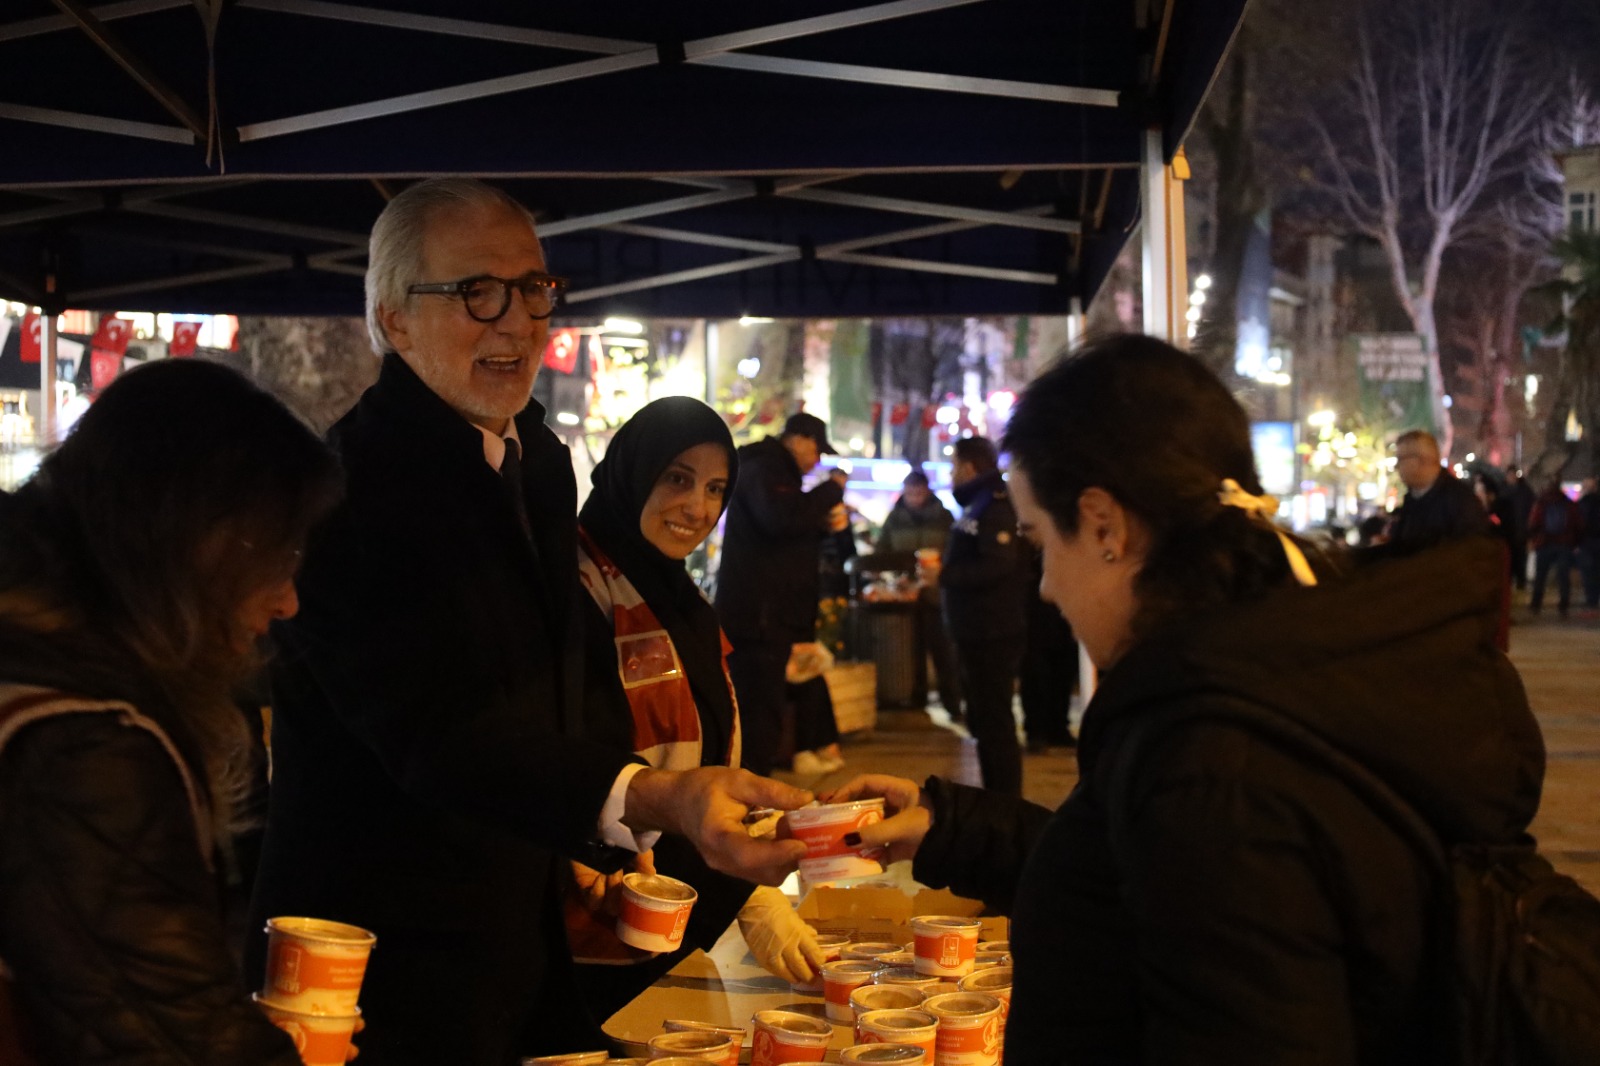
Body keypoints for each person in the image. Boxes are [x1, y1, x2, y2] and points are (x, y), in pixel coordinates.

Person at [828, 335, 1541, 1065]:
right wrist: (956, 829)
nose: (1043, 584)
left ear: (1104, 525)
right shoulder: (1262, 679)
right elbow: (1152, 887)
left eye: (1042, 540)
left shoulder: (1218, 757)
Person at [248, 178, 809, 1066]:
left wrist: (626, 834)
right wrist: (648, 793)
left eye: (535, 289)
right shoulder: (349, 494)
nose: (517, 322)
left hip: (526, 935)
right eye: (479, 292)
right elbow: (440, 732)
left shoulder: (535, 455)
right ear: (394, 320)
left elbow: (564, 678)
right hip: (378, 965)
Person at [0, 360, 343, 1064]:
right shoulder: (85, 744)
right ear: (202, 547)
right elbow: (171, 1035)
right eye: (281, 557)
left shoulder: (40, 656)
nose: (288, 601)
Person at [566, 396, 823, 1020]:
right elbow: (575, 756)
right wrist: (745, 892)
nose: (698, 507)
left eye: (715, 489)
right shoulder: (572, 589)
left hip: (675, 910)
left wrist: (747, 884)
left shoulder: (683, 599)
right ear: (633, 469)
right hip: (588, 921)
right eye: (677, 478)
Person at [715, 412, 848, 776]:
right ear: (800, 439)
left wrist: (821, 527)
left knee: (767, 712)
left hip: (770, 619)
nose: (816, 461)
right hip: (758, 620)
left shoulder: (775, 471)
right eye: (816, 450)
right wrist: (831, 489)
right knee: (759, 715)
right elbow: (779, 519)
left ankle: (755, 787)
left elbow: (786, 534)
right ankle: (750, 795)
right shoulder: (764, 467)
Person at [939, 436, 1029, 795]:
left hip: (992, 628)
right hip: (974, 628)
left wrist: (944, 575)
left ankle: (1006, 802)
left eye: (953, 466)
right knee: (983, 719)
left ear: (969, 466)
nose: (951, 474)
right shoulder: (977, 503)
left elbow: (998, 563)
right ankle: (997, 796)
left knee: (995, 721)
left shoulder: (995, 503)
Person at [879, 470, 963, 719]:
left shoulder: (944, 517)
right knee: (909, 650)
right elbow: (884, 552)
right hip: (906, 595)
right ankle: (916, 699)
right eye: (910, 493)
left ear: (927, 490)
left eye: (918, 492)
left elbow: (954, 551)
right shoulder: (894, 519)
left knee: (943, 651)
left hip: (937, 594)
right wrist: (896, 576)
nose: (914, 498)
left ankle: (952, 703)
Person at [1386, 429, 1490, 548]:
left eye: (1401, 459)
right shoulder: (1412, 498)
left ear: (1422, 460)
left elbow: (1471, 556)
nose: (1396, 466)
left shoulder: (1460, 502)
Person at [1527, 480, 1585, 617]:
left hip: (1544, 543)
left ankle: (1536, 603)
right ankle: (1563, 605)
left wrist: (1534, 538)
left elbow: (1532, 523)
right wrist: (1575, 542)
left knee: (1540, 576)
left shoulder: (1541, 503)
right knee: (1563, 576)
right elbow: (1579, 525)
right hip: (1564, 544)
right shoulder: (1569, 504)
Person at [1576, 476, 1600, 614]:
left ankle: (1591, 600)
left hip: (1586, 542)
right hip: (1594, 541)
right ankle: (1594, 599)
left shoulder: (1581, 504)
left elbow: (1579, 524)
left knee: (1588, 572)